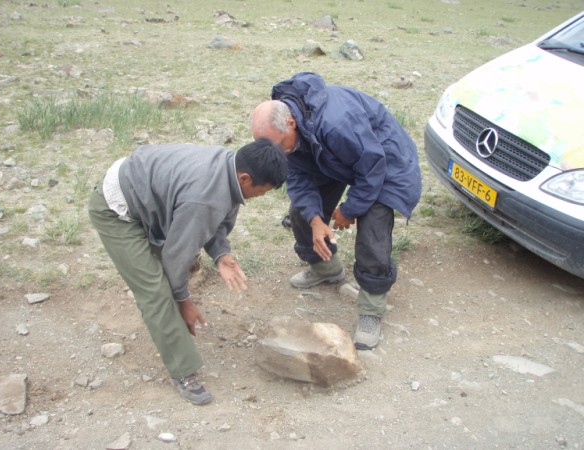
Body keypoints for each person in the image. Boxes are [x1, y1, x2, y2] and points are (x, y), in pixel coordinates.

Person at [88, 138, 287, 405]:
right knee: (157, 291)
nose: (263, 195)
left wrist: (220, 254)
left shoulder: (228, 166)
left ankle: (170, 323)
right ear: (246, 178)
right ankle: (183, 372)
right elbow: (176, 255)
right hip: (117, 209)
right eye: (265, 190)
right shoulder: (204, 198)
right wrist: (183, 300)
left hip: (143, 188)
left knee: (169, 277)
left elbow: (211, 221)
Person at [251, 72, 422, 350]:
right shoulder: (287, 139)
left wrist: (350, 209)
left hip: (383, 161)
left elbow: (371, 167)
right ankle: (326, 269)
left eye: (280, 145)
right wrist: (317, 221)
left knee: (373, 232)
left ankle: (371, 310)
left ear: (291, 123)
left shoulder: (336, 122)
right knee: (302, 212)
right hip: (331, 157)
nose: (280, 153)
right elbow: (298, 179)